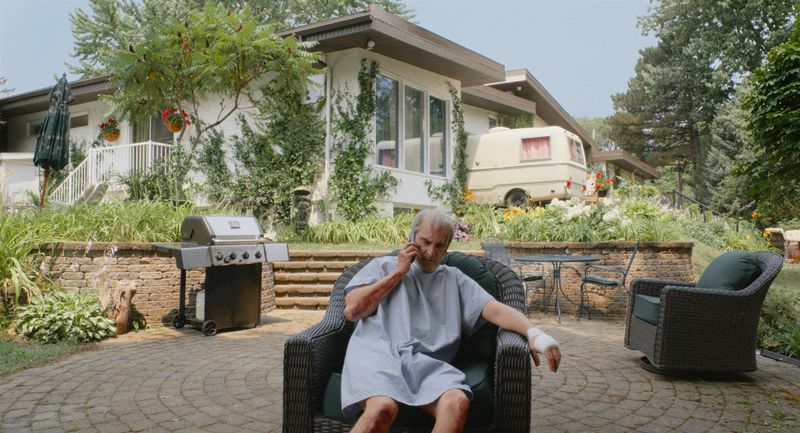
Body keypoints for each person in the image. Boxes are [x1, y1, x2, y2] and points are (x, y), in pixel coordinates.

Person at [341, 209, 561, 433]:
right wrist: (398, 273)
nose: (430, 252)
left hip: (424, 364)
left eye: (439, 246)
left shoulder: (454, 279)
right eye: (425, 242)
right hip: (378, 356)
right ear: (411, 238)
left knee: (457, 402)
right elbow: (353, 311)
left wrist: (534, 334)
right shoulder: (382, 267)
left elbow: (496, 311)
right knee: (382, 409)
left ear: (447, 247)